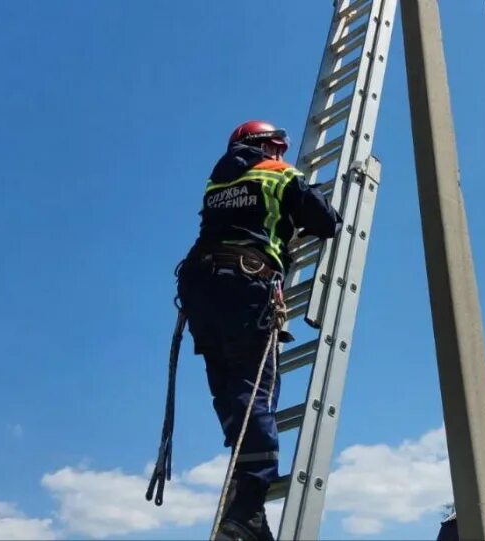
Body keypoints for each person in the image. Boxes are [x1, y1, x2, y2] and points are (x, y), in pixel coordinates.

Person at [176, 120, 341, 540]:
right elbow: (325, 221)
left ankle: (248, 513)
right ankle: (247, 507)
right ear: (262, 144)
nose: (282, 154)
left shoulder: (215, 184)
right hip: (244, 285)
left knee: (231, 393)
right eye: (277, 146)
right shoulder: (277, 173)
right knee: (255, 392)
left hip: (200, 290)